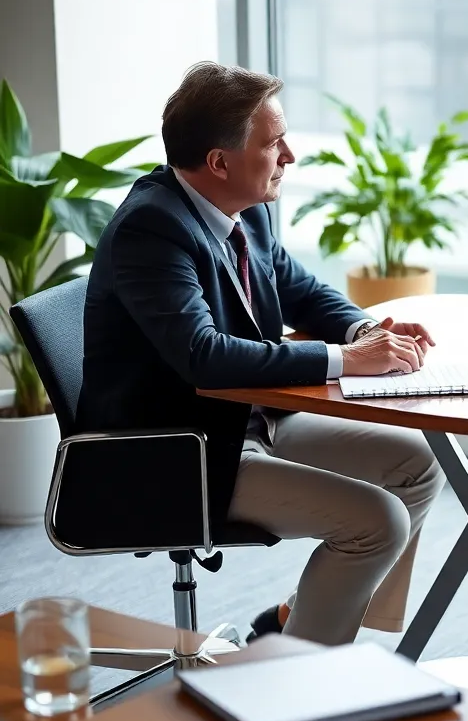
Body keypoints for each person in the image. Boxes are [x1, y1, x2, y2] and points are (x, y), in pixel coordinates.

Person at [77, 62, 444, 647]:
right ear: (220, 162)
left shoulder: (247, 208)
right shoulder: (153, 228)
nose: (290, 156)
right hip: (175, 453)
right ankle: (295, 682)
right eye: (274, 143)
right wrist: (347, 361)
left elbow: (298, 289)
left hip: (245, 423)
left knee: (415, 465)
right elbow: (205, 356)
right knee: (379, 522)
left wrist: (365, 332)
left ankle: (298, 623)